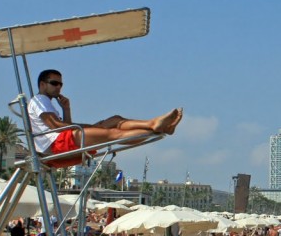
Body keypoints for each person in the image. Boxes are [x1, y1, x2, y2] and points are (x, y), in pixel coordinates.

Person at [27, 69, 182, 167]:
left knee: (115, 119)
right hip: (55, 146)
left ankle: (153, 124)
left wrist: (66, 109)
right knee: (113, 134)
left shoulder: (48, 103)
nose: (59, 87)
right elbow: (56, 126)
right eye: (54, 83)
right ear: (42, 84)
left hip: (62, 140)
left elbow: (63, 126)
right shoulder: (39, 100)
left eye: (61, 84)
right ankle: (155, 128)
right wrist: (93, 127)